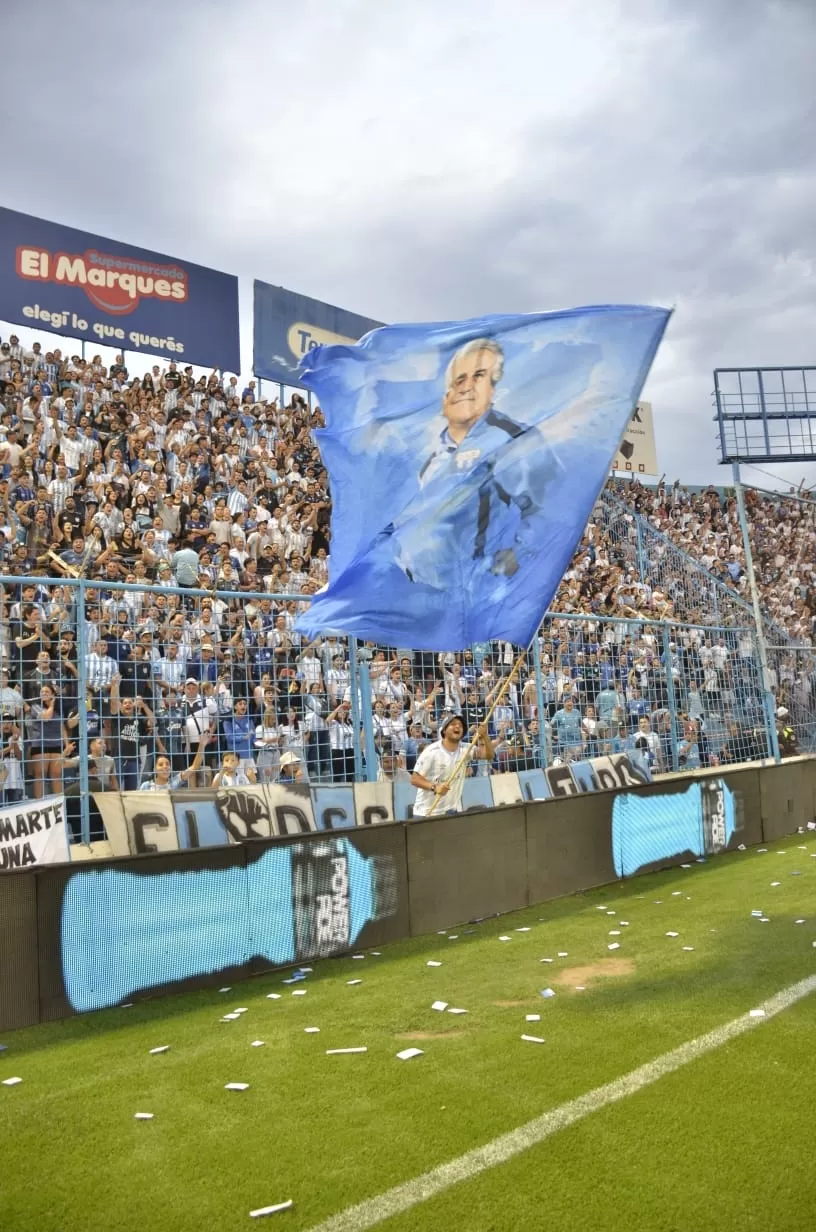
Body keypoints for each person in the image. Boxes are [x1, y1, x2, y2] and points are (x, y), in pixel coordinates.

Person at [389, 337, 562, 589]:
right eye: (459, 379)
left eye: (478, 375)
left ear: (493, 385)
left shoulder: (512, 439)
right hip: (422, 587)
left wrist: (519, 552)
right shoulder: (432, 457)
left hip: (472, 588)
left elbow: (550, 504)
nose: (466, 387)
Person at [410, 714, 494, 817]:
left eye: (460, 725)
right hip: (426, 813)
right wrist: (434, 787)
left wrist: (485, 736)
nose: (458, 727)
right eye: (453, 724)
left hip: (451, 811)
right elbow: (415, 779)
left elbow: (488, 755)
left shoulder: (466, 749)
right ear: (444, 730)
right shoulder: (431, 751)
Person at [139, 733, 212, 790]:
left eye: (167, 764)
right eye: (160, 764)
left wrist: (201, 745)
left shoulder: (174, 782)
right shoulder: (146, 786)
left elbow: (194, 767)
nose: (165, 767)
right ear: (154, 769)